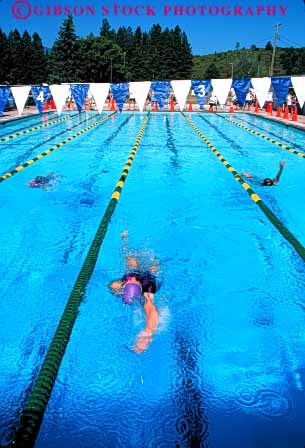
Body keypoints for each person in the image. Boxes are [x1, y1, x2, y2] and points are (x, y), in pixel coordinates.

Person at [109, 230, 160, 354]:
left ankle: (124, 240)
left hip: (148, 277)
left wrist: (148, 332)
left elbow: (151, 310)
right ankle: (124, 241)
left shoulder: (148, 288)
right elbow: (113, 286)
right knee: (130, 260)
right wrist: (117, 290)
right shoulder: (123, 283)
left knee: (152, 267)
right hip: (132, 274)